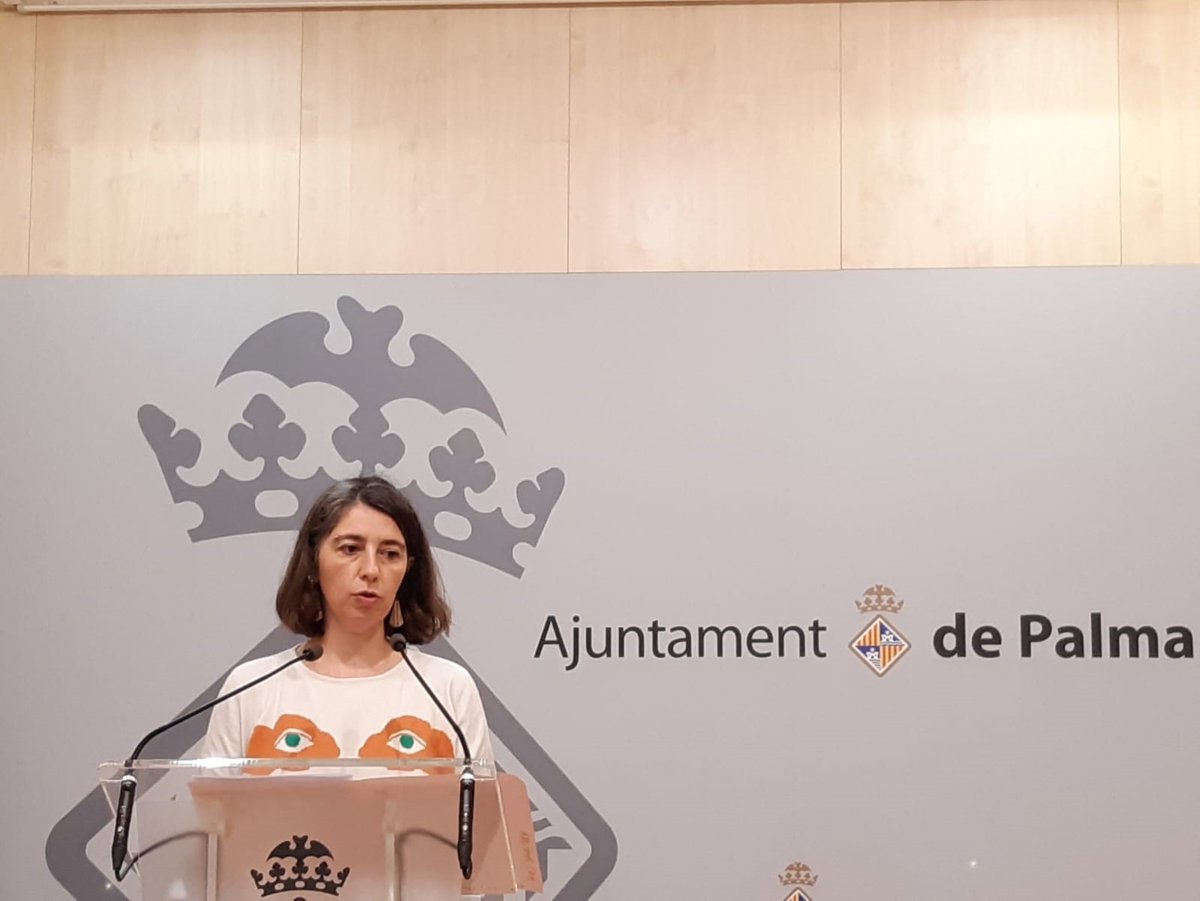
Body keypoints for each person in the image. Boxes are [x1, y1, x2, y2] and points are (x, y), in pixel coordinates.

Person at [201, 475, 493, 771]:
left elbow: (480, 800)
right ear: (313, 562)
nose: (371, 570)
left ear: (407, 571)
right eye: (350, 549)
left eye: (390, 554)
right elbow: (213, 801)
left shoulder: (447, 688)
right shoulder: (249, 688)